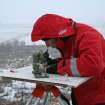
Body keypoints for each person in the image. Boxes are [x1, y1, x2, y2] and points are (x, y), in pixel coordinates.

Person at [31, 14, 105, 105]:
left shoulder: (88, 35)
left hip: (99, 95)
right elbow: (77, 60)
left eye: (46, 40)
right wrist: (57, 62)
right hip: (80, 92)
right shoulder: (68, 38)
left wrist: (58, 67)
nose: (47, 45)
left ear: (56, 36)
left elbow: (93, 65)